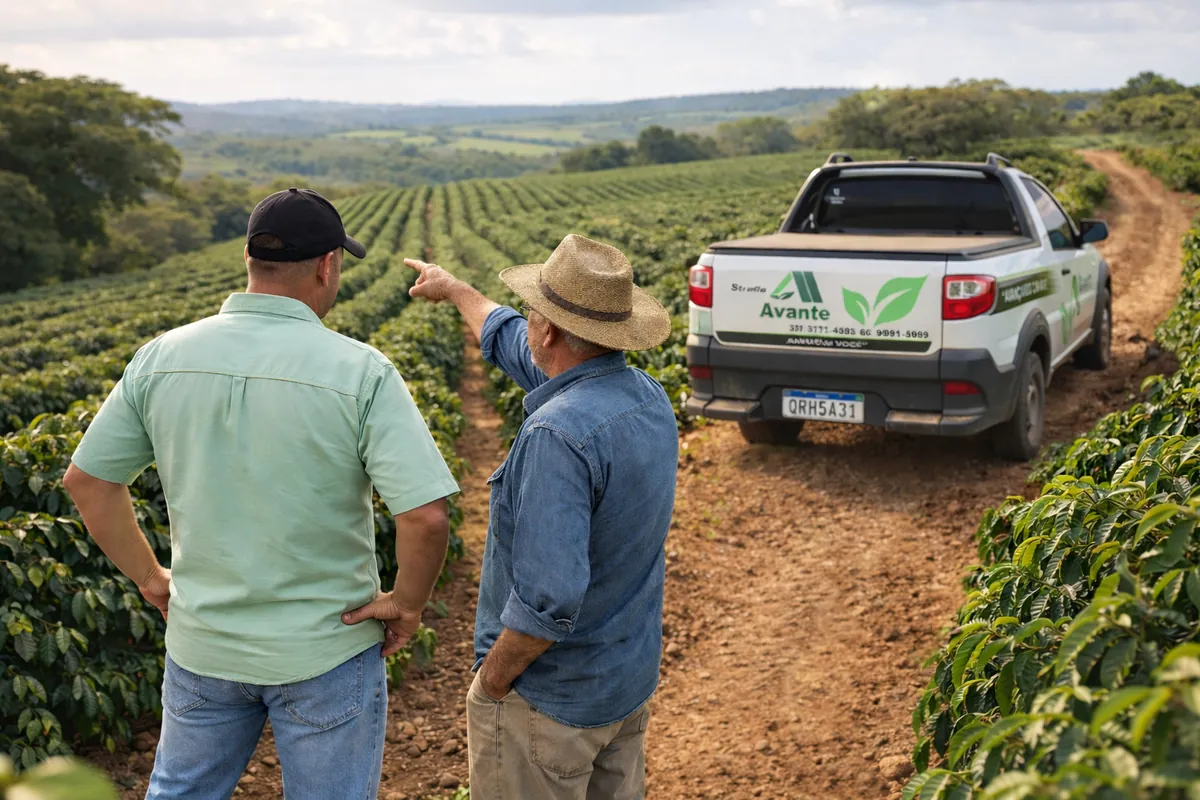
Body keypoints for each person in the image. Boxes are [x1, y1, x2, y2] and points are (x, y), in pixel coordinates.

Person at [63, 188, 460, 800]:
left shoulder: (162, 358)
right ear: (328, 265)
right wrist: (406, 606)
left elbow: (88, 483)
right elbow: (426, 518)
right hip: (327, 648)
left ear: (249, 260)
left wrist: (150, 577)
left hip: (204, 644)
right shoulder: (361, 371)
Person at [404, 233, 679, 800]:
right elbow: (507, 338)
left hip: (551, 706)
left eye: (532, 314)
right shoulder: (646, 397)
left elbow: (548, 600)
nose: (524, 323)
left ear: (549, 332)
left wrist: (494, 682)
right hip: (623, 687)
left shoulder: (557, 433)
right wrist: (456, 290)